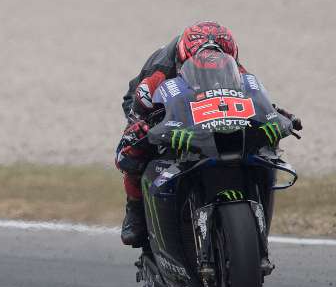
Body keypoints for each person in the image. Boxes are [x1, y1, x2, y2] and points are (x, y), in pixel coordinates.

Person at [115, 21, 302, 247]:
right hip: (146, 105)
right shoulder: (157, 76)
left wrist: (278, 114)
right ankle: (134, 210)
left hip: (207, 104)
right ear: (183, 58)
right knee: (136, 149)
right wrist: (140, 128)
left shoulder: (236, 69)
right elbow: (138, 115)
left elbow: (255, 98)